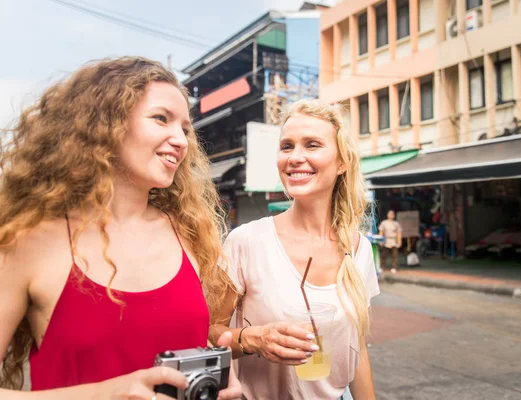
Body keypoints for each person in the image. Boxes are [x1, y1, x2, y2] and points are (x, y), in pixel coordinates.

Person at [0, 57, 241, 399]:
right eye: (161, 119)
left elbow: (172, 347)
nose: (181, 140)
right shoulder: (28, 242)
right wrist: (107, 393)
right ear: (103, 124)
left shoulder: (188, 234)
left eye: (185, 129)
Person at [210, 100, 379, 399]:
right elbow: (207, 332)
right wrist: (252, 339)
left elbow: (358, 354)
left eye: (312, 145)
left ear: (342, 162)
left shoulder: (358, 248)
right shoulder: (247, 241)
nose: (295, 157)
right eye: (287, 146)